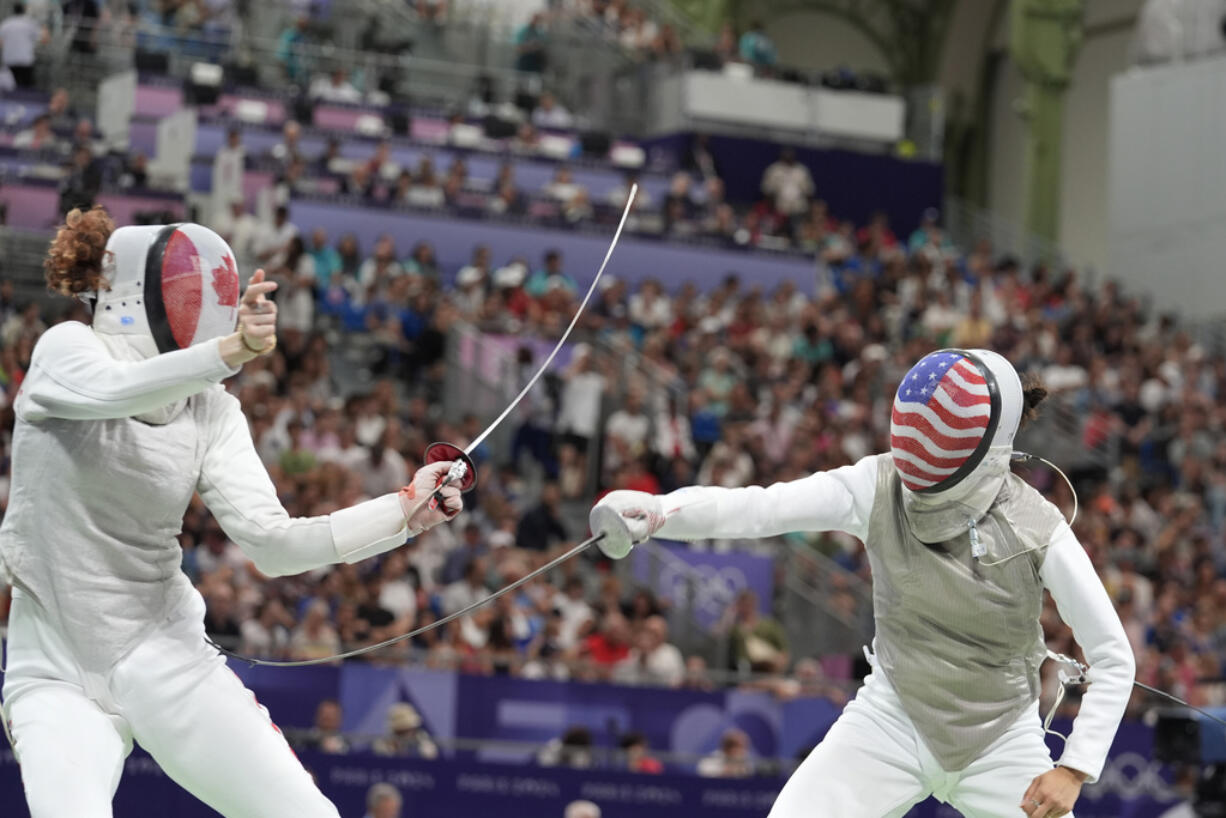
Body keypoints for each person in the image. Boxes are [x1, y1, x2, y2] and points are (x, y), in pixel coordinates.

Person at [0, 206, 464, 818]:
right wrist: (230, 350)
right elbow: (111, 391)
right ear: (138, 292)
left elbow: (272, 543)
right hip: (52, 671)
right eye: (187, 294)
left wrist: (403, 512)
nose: (203, 310)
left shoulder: (211, 408)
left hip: (165, 653)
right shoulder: (66, 349)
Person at [590, 348, 1135, 818]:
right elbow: (759, 507)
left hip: (1000, 739)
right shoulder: (878, 484)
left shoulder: (1037, 526)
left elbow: (1113, 656)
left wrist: (1074, 768)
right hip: (892, 717)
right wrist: (660, 512)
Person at [0, 2, 48, 88]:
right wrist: (44, 26)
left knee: (10, 90)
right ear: (24, 10)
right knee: (26, 91)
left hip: (9, 61)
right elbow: (44, 39)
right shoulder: (29, 23)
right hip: (25, 61)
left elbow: (1, 43)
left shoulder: (5, 24)